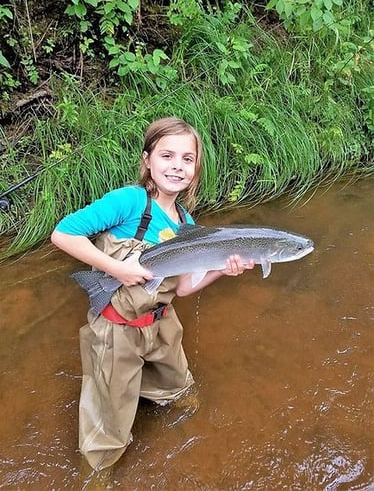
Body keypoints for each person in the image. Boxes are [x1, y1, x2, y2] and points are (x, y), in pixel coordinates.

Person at [51, 116, 254, 471]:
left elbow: (186, 287)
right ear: (147, 161)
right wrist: (118, 269)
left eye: (187, 159)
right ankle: (98, 470)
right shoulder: (129, 202)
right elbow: (63, 235)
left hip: (162, 324)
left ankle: (168, 400)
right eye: (167, 156)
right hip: (117, 329)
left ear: (196, 169)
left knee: (181, 391)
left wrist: (222, 268)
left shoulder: (187, 225)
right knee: (109, 416)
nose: (177, 166)